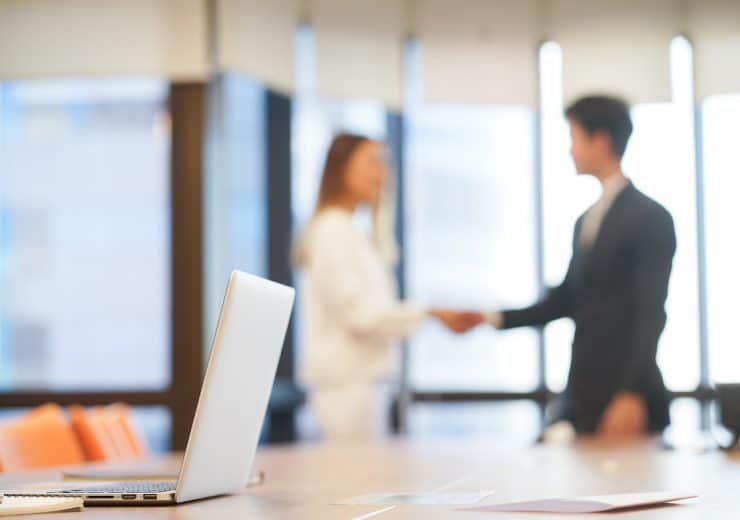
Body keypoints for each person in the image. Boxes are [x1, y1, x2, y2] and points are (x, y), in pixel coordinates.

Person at [486, 95, 676, 438]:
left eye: (573, 137)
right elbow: (567, 301)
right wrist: (490, 317)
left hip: (625, 395)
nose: (570, 150)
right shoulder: (585, 220)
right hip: (584, 391)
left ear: (600, 140)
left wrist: (630, 393)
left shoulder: (651, 217)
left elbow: (651, 312)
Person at [294, 133, 481, 442]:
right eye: (373, 162)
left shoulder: (353, 231)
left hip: (361, 389)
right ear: (342, 168)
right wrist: (429, 312)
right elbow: (361, 316)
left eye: (385, 164)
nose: (383, 174)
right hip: (345, 392)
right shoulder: (333, 230)